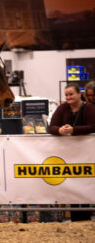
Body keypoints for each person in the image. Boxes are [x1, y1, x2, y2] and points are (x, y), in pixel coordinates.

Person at [48, 83, 95, 222]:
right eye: (66, 95)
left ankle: (86, 218)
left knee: (86, 184)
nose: (68, 97)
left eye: (71, 94)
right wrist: (60, 130)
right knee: (74, 186)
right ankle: (77, 220)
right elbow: (51, 127)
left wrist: (74, 130)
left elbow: (93, 126)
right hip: (68, 156)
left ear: (79, 94)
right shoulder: (62, 107)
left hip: (88, 155)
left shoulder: (90, 108)